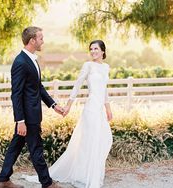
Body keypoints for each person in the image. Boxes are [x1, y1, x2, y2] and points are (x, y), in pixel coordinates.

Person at [24, 40, 113, 188]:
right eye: (91, 49)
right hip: (91, 108)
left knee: (103, 139)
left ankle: (92, 173)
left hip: (100, 110)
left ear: (103, 51)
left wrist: (108, 108)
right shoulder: (88, 66)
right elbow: (77, 85)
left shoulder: (106, 67)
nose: (93, 51)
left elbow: (104, 90)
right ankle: (86, 176)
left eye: (96, 48)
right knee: (90, 140)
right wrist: (68, 106)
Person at [0, 26, 64, 188]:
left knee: (16, 146)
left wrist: (53, 105)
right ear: (32, 40)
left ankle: (3, 179)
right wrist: (20, 120)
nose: (43, 41)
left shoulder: (31, 59)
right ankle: (47, 183)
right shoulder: (20, 62)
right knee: (36, 149)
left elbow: (37, 87)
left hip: (31, 114)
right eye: (41, 38)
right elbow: (16, 94)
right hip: (27, 116)